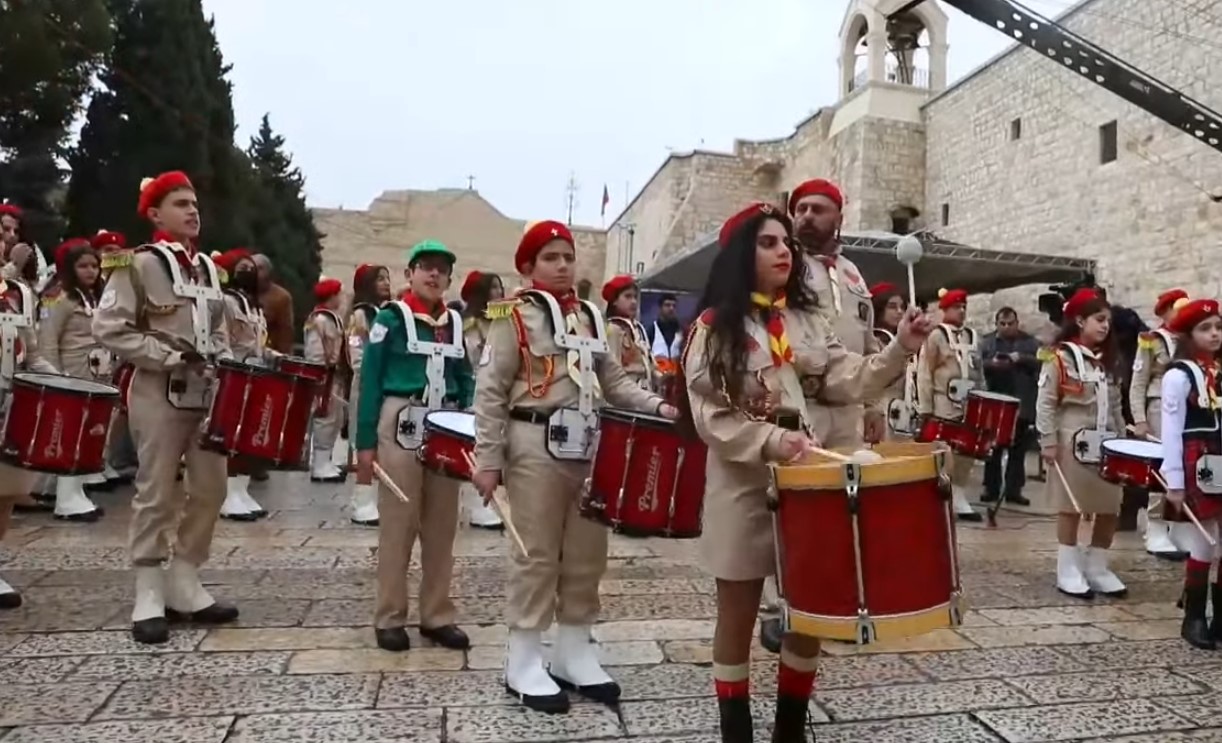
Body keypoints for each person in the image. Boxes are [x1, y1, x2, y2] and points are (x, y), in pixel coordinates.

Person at [683, 202, 930, 742]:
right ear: (740, 256)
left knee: (810, 610)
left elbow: (845, 379)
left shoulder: (807, 319)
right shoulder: (713, 330)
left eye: (786, 245)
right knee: (738, 615)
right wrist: (773, 439)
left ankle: (790, 727)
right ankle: (736, 729)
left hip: (805, 484)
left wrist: (899, 352)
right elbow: (713, 419)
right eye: (769, 243)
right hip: (744, 484)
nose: (784, 253)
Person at [471, 219, 675, 713]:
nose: (562, 265)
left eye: (568, 257)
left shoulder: (589, 317)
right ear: (528, 267)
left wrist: (660, 408)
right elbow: (491, 390)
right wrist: (487, 458)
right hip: (533, 441)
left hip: (589, 444)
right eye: (551, 258)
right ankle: (522, 658)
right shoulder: (512, 316)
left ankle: (573, 650)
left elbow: (617, 383)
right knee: (536, 552)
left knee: (587, 552)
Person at [93, 171, 238, 644]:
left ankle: (185, 578)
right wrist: (168, 356)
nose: (193, 211)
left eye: (194, 202)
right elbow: (110, 328)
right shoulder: (134, 264)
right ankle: (148, 590)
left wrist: (222, 359)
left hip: (207, 392)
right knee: (155, 490)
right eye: (180, 203)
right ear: (155, 213)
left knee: (212, 487)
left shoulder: (210, 271)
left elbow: (218, 329)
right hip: (157, 389)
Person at [356, 240, 473, 653]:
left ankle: (437, 614)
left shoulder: (456, 324)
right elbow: (369, 379)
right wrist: (365, 444)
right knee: (398, 523)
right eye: (425, 267)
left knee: (443, 526)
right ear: (409, 273)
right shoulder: (389, 319)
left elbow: (467, 378)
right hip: (401, 419)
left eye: (441, 269)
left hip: (447, 425)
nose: (433, 274)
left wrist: (471, 426)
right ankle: (389, 616)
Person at [1036, 287, 1127, 599]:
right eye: (1098, 319)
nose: (1104, 326)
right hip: (1071, 441)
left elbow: (1115, 405)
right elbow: (1046, 403)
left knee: (1110, 505)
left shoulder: (1108, 360)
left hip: (1108, 443)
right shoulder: (1060, 358)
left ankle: (1098, 565)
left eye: (1107, 321)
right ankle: (1068, 567)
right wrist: (1048, 441)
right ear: (1079, 320)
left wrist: (1126, 443)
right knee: (1071, 506)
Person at [1157, 297, 1222, 649]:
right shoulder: (1178, 376)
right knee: (1205, 539)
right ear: (1188, 334)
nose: (1214, 334)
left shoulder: (1220, 369)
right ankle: (1193, 618)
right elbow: (1171, 428)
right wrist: (1175, 481)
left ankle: (1220, 620)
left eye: (1218, 327)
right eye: (1205, 328)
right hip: (1199, 460)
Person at [39, 238, 115, 521]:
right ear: (70, 268)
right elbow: (48, 339)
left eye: (94, 265)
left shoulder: (97, 298)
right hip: (71, 375)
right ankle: (65, 498)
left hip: (98, 376)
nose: (91, 271)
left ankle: (76, 491)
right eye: (83, 266)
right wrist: (54, 376)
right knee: (70, 434)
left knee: (89, 434)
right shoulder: (60, 297)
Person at [0, 265, 61, 608]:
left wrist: (63, 383)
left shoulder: (18, 293)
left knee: (5, 492)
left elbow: (33, 355)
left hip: (11, 403)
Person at [213, 249, 275, 521]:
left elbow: (257, 343)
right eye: (242, 267)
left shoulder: (254, 305)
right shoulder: (225, 302)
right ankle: (227, 494)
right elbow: (220, 339)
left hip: (256, 374)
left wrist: (273, 356)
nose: (250, 272)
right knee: (231, 436)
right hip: (234, 375)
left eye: (253, 267)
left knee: (248, 436)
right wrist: (228, 365)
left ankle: (241, 489)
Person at [1131, 289, 1191, 560]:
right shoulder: (1152, 341)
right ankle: (1155, 528)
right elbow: (1139, 382)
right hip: (1158, 407)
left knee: (1185, 468)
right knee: (1162, 469)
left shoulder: (1192, 339)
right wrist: (1140, 419)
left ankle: (1177, 526)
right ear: (1166, 311)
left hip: (1189, 408)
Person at [917, 287, 984, 522]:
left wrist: (983, 399)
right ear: (945, 309)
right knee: (944, 447)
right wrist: (925, 406)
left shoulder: (972, 336)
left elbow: (979, 370)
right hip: (944, 401)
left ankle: (960, 492)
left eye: (964, 307)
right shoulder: (936, 336)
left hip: (970, 401)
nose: (962, 311)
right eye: (957, 307)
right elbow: (925, 371)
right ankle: (941, 490)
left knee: (967, 449)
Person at [344, 263, 393, 526]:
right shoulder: (361, 316)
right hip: (367, 385)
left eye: (387, 278)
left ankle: (377, 497)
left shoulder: (388, 314)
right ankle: (361, 500)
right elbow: (357, 355)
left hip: (387, 387)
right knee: (365, 441)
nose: (386, 283)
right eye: (379, 279)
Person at [979, 307, 1041, 507]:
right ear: (996, 324)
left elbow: (1042, 362)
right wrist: (993, 364)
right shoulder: (987, 342)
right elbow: (977, 364)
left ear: (1017, 323)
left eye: (1010, 323)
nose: (1006, 327)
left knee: (1018, 451)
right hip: (995, 402)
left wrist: (1020, 358)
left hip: (1021, 402)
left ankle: (1014, 490)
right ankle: (991, 488)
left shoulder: (1029, 343)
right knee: (992, 449)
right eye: (1002, 324)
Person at [458, 270, 505, 531]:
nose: (499, 293)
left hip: (502, 390)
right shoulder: (471, 324)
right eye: (493, 288)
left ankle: (494, 501)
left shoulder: (503, 320)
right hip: (479, 388)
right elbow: (474, 358)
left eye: (500, 288)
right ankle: (479, 506)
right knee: (480, 445)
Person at [305, 277, 347, 482]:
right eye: (338, 293)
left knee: (334, 418)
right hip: (324, 375)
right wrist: (319, 372)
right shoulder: (319, 320)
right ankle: (319, 464)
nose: (341, 297)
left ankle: (326, 459)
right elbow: (314, 349)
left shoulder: (333, 318)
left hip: (335, 375)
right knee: (324, 417)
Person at [870, 281, 913, 437]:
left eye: (902, 307)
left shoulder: (904, 339)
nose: (899, 312)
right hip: (882, 408)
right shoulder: (873, 339)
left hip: (905, 408)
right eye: (892, 307)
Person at [602, 274, 657, 391]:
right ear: (614, 301)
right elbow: (611, 371)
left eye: (635, 297)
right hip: (625, 395)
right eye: (627, 297)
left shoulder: (639, 329)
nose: (633, 302)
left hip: (645, 393)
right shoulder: (613, 329)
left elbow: (649, 364)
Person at [254, 254, 295, 356]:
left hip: (269, 356)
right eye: (252, 268)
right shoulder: (240, 294)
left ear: (269, 272)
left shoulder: (281, 297)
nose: (255, 272)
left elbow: (285, 332)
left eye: (260, 268)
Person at [648, 293, 684, 368]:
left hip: (676, 377)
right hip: (658, 377)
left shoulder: (681, 331)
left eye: (674, 306)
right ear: (660, 308)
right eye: (667, 305)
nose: (671, 308)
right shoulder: (651, 330)